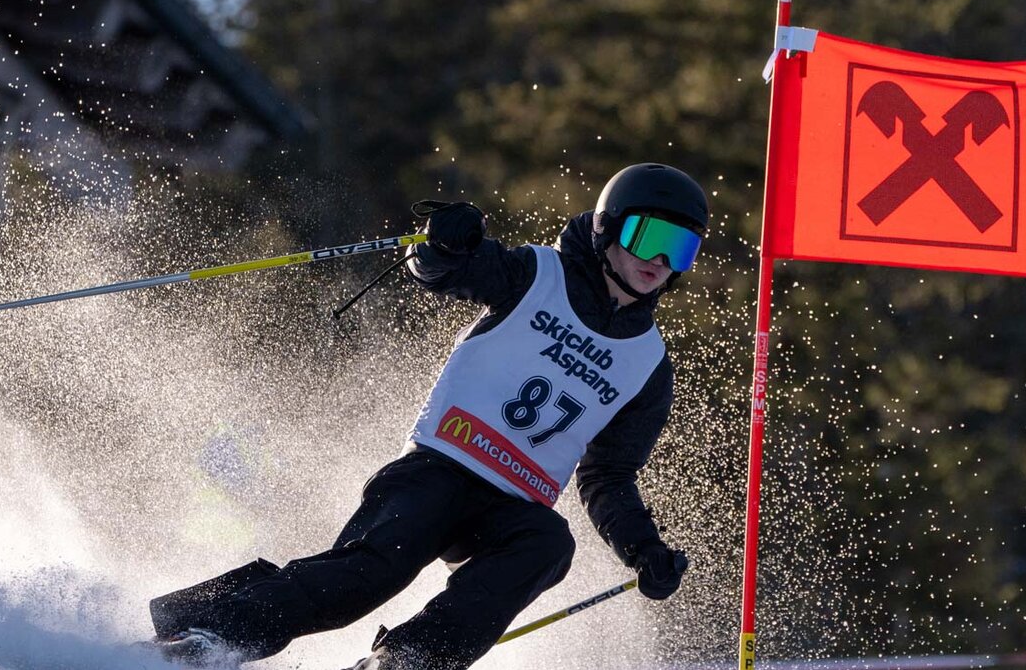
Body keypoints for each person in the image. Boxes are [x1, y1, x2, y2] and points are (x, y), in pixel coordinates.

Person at [147, 163, 709, 669]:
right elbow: (443, 269)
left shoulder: (648, 365)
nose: (660, 261)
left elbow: (608, 476)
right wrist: (445, 243)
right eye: (649, 237)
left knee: (549, 544)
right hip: (438, 470)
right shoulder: (536, 275)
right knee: (366, 578)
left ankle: (407, 662)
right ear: (607, 229)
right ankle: (206, 632)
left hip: (514, 504)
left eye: (680, 249)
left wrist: (644, 550)